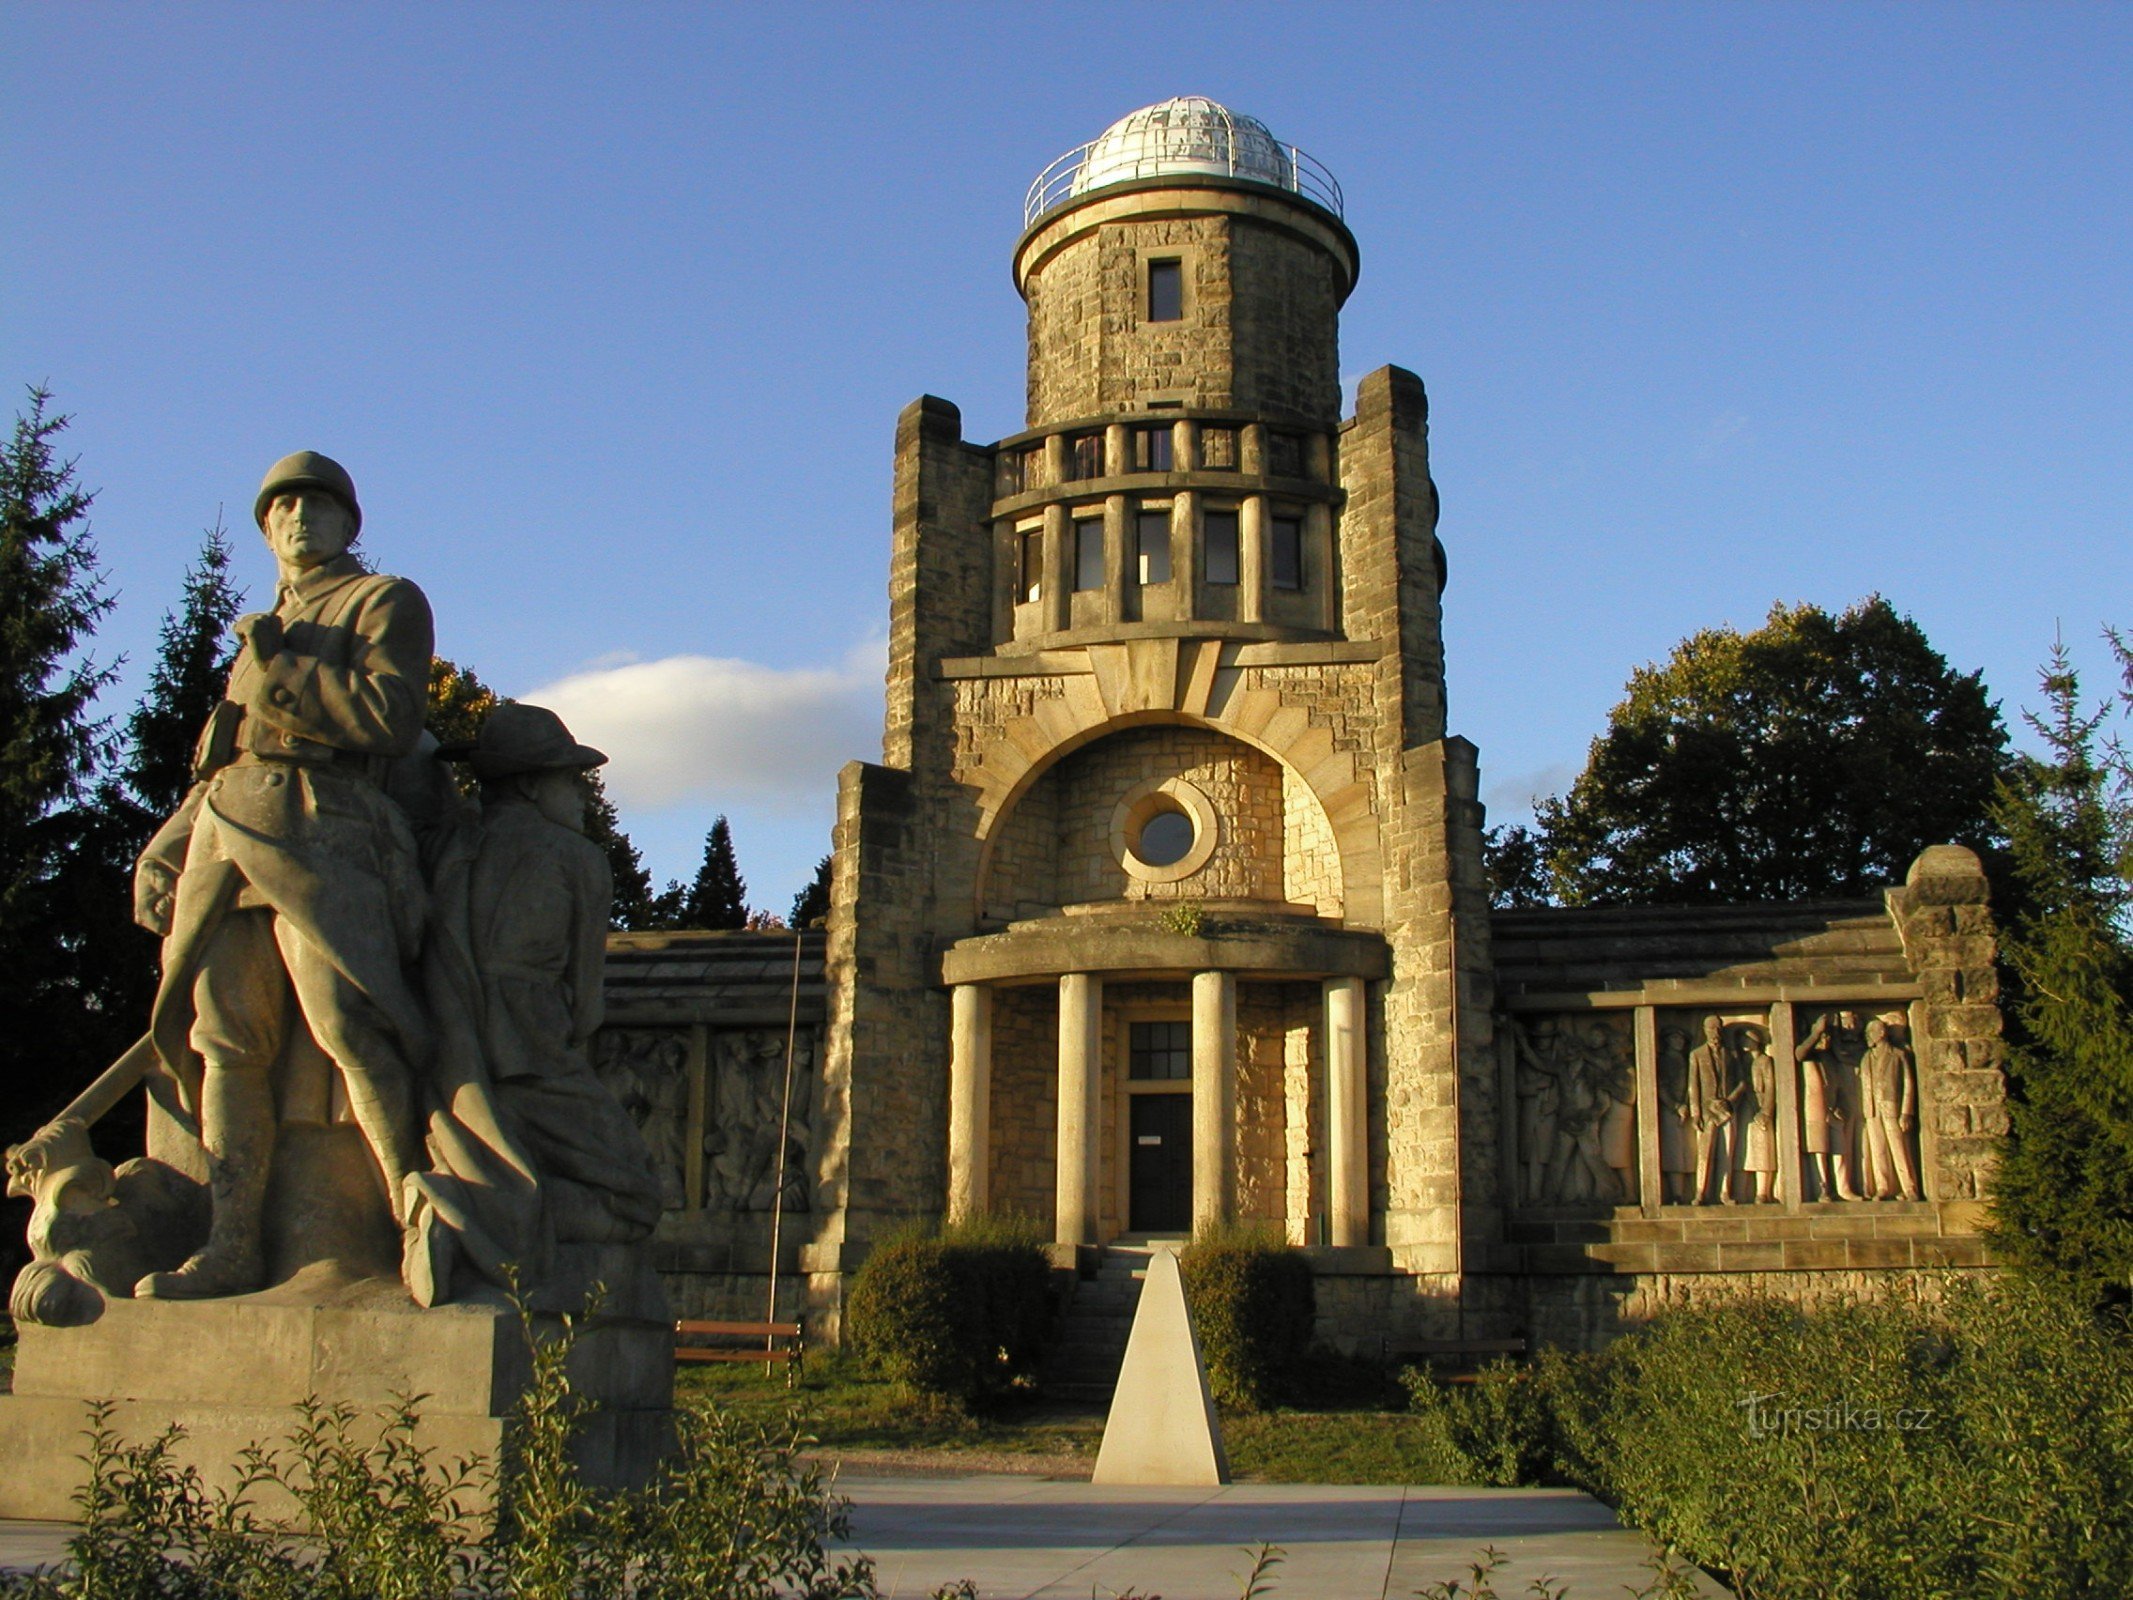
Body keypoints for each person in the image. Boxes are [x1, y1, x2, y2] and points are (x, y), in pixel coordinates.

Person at [133, 453, 432, 1298]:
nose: (299, 518)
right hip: (226, 836)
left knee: (348, 1027)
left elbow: (389, 716)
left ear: (349, 523)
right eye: (283, 508)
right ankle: (230, 1246)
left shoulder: (382, 600)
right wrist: (166, 847)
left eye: (317, 505)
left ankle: (414, 1219)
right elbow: (226, 758)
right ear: (266, 530)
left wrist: (279, 669)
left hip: (325, 829)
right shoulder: (259, 629)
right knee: (224, 1045)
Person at [401, 703, 664, 1307]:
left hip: (445, 1045)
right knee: (634, 1194)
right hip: (532, 1045)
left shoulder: (444, 847)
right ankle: (467, 1216)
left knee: (516, 1165)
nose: (581, 796)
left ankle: (470, 1211)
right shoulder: (576, 858)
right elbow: (588, 1004)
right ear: (527, 784)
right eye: (568, 780)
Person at [1858, 1017, 1922, 1201]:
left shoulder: (1898, 1055)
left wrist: (1906, 1112)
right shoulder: (1866, 1058)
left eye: (1870, 1032)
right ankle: (1883, 1187)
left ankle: (1909, 1187)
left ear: (1881, 1033)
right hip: (1871, 1109)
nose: (1867, 1036)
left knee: (1899, 1146)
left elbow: (1908, 1083)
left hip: (1891, 1106)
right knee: (1878, 1149)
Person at [1687, 1015, 1737, 1204]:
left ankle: (1725, 1192)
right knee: (1704, 1154)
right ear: (1704, 1030)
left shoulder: (1730, 1054)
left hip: (1727, 1110)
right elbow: (1693, 1086)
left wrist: (1730, 1100)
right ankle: (1700, 1192)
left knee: (1727, 1153)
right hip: (1707, 1111)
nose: (1715, 1033)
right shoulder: (1697, 1054)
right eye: (1711, 1029)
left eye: (1718, 1028)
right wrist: (1696, 1114)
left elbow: (1741, 1082)